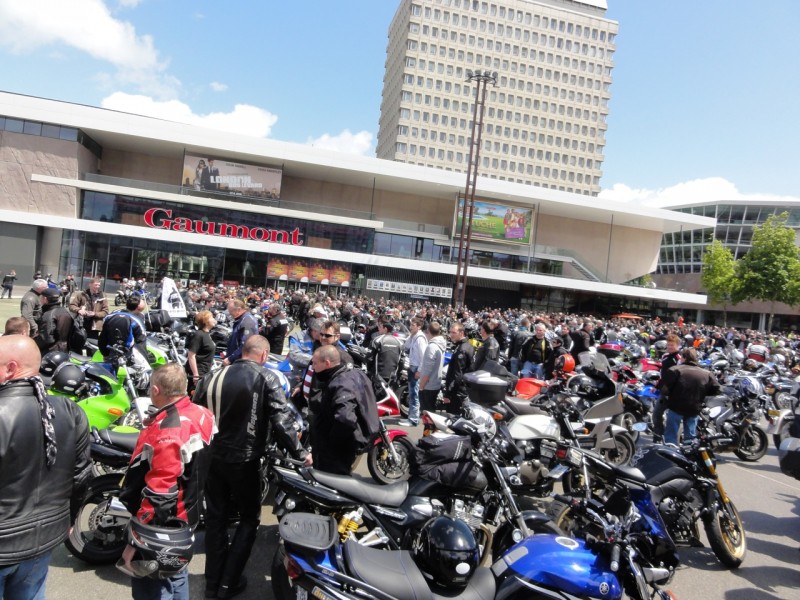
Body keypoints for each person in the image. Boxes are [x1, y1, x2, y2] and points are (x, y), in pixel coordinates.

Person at [194, 336, 310, 599]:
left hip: (212, 457)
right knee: (248, 519)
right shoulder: (266, 378)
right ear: (264, 354)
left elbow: (197, 413)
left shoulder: (212, 376)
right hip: (244, 461)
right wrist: (301, 453)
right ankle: (227, 584)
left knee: (216, 519)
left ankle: (213, 585)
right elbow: (282, 420)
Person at [0, 335, 92, 599]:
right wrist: (71, 519)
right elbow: (82, 475)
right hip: (46, 538)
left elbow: (81, 474)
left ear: (10, 367)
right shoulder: (70, 410)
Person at [119, 363, 214, 600]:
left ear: (155, 390)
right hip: (187, 514)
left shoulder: (168, 430)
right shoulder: (203, 413)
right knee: (177, 573)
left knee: (152, 586)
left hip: (164, 525)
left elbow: (160, 492)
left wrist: (137, 540)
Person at [308, 345, 379, 475]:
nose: (313, 367)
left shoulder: (341, 384)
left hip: (337, 452)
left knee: (331, 486)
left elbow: (345, 419)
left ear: (327, 363)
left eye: (315, 363)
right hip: (345, 446)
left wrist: (331, 443)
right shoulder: (354, 374)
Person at [660, 348, 720, 445]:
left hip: (676, 406)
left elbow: (665, 389)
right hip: (694, 407)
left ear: (683, 358)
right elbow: (716, 389)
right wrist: (702, 394)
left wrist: (669, 396)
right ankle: (690, 456)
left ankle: (670, 454)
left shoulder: (675, 370)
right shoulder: (706, 373)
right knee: (690, 438)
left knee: (670, 437)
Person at [98, 296, 148, 368]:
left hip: (111, 353)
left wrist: (105, 354)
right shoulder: (137, 319)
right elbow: (141, 342)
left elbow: (103, 338)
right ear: (138, 308)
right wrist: (144, 361)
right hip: (129, 356)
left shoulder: (111, 315)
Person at [652, 333, 681, 443]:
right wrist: (657, 386)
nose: (670, 347)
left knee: (672, 419)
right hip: (664, 391)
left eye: (672, 345)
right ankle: (658, 436)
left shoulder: (679, 358)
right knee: (656, 415)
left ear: (677, 345)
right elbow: (663, 375)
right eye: (668, 345)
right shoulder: (664, 356)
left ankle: (671, 441)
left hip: (674, 393)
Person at [401, 317, 428, 427]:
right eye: (411, 325)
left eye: (413, 325)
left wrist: (419, 371)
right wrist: (410, 335)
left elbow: (424, 357)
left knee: (414, 395)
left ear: (419, 326)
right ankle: (410, 417)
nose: (411, 327)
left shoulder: (420, 339)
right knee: (412, 394)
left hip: (416, 368)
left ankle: (413, 420)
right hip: (412, 368)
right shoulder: (414, 337)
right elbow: (405, 346)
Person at [442, 322, 474, 415]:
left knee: (454, 418)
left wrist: (449, 394)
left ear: (461, 333)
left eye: (453, 333)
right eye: (450, 332)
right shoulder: (463, 345)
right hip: (461, 389)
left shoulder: (462, 349)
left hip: (458, 391)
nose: (451, 335)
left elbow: (458, 374)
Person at [417, 321, 446, 414]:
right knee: (431, 414)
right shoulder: (440, 344)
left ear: (429, 331)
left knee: (428, 416)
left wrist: (421, 387)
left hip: (428, 386)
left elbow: (427, 370)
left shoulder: (432, 346)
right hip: (434, 384)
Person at [185, 310, 216, 392]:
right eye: (211, 317)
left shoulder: (208, 334)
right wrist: (195, 374)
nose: (214, 319)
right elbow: (191, 355)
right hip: (199, 372)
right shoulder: (199, 335)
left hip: (206, 371)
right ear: (205, 321)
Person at [36, 287, 74, 353]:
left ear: (45, 299)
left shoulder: (49, 314)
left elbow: (47, 339)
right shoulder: (65, 311)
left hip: (51, 352)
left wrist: (34, 343)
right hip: (66, 349)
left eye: (41, 297)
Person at [223, 299, 259, 366]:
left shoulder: (247, 321)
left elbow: (245, 345)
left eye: (231, 311)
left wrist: (230, 359)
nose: (230, 314)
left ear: (238, 310)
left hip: (241, 364)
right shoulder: (241, 319)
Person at [368, 316, 402, 380]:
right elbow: (401, 361)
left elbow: (369, 358)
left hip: (378, 376)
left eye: (380, 327)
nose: (378, 329)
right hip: (392, 377)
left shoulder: (377, 340)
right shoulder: (399, 342)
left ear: (385, 329)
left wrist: (369, 371)